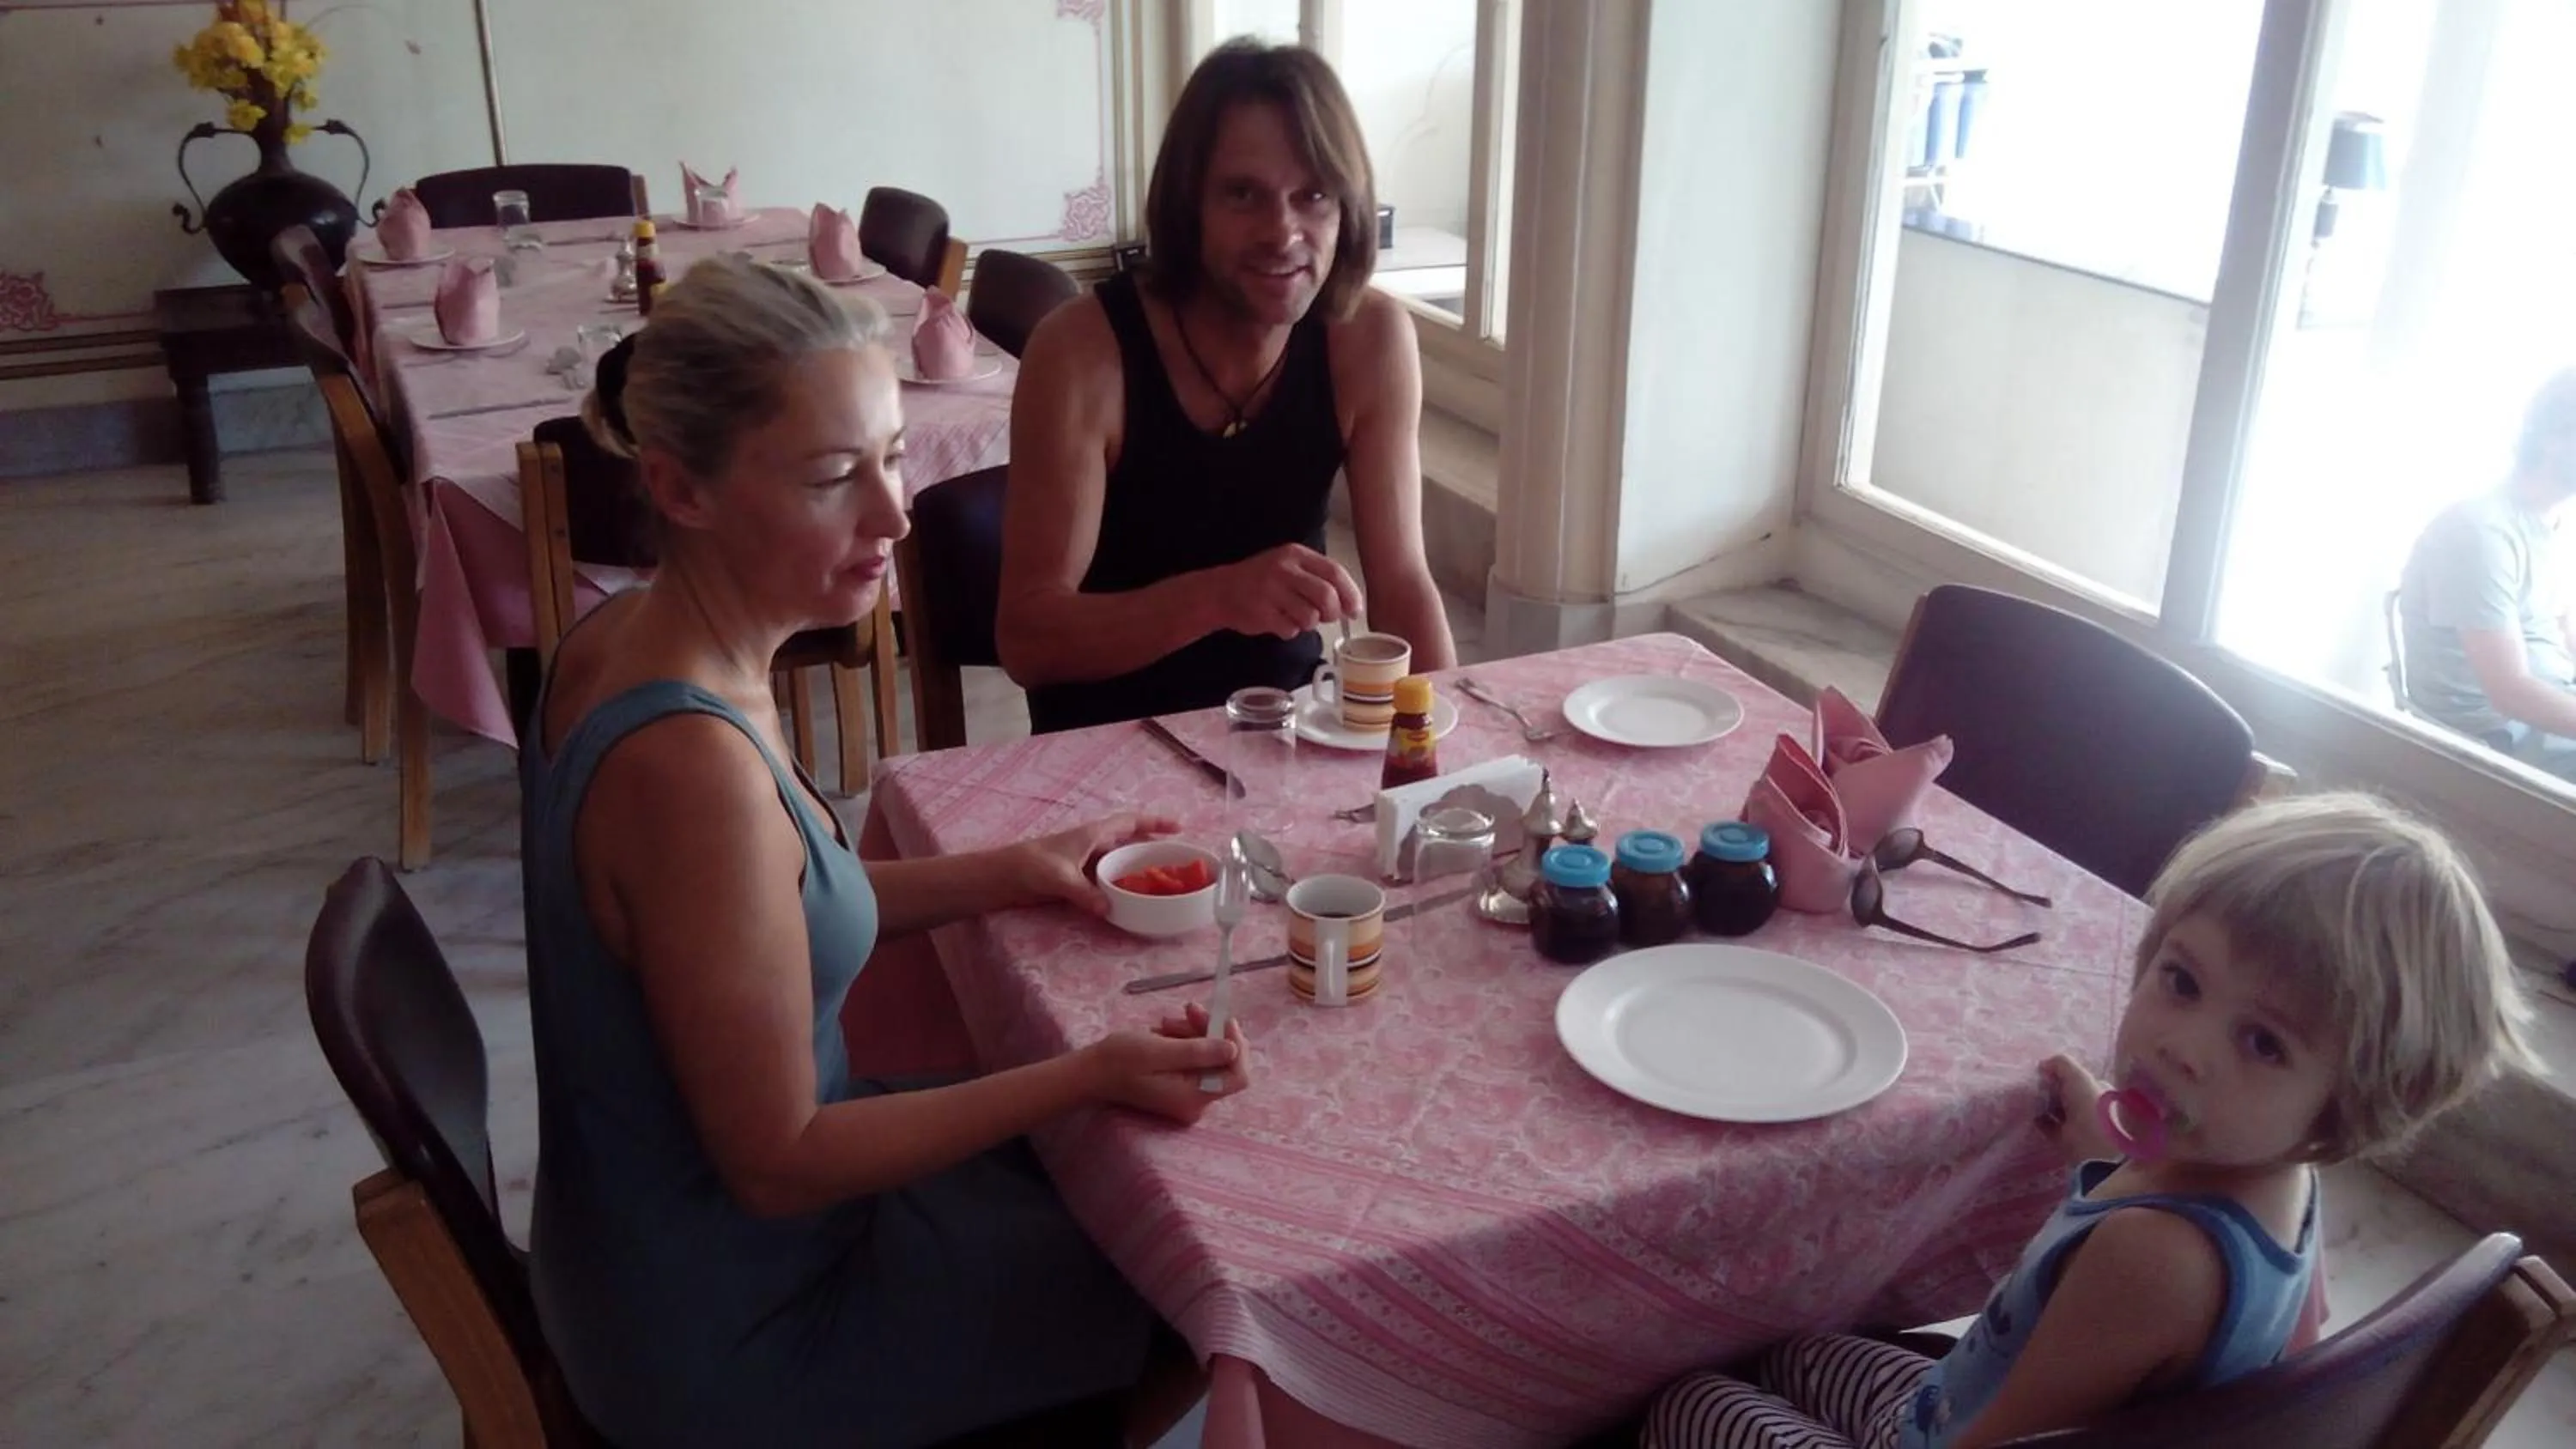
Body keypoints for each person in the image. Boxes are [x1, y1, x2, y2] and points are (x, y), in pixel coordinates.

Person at [523, 256, 1250, 1449]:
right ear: (678, 486)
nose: (894, 516)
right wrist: (1085, 1072)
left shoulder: (622, 638)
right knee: (1205, 1275)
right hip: (742, 1330)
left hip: (642, 1247)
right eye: (830, 477)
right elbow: (782, 1158)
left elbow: (753, 914)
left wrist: (1013, 870)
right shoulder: (688, 767)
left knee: (1103, 1172)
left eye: (893, 456)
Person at [1641, 793, 2536, 1449]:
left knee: (1686, 1400)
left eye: (2262, 1041)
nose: (2183, 1046)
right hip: (1955, 1392)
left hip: (1959, 1433)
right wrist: (2105, 1154)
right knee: (1791, 1351)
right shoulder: (2280, 1173)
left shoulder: (2150, 1255)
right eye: (2181, 980)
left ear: (2351, 1106)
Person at [997, 38, 1458, 734]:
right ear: (1189, 205)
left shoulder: (1369, 339)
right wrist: (1216, 597)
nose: (1284, 232)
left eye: (1313, 196)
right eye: (1244, 194)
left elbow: (1401, 586)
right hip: (1106, 754)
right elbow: (1029, 642)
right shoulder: (1082, 352)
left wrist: (1447, 758)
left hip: (1291, 734)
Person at [2397, 368, 2576, 782]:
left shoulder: (2553, 522)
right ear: (2553, 438)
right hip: (2494, 738)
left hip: (2549, 720)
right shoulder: (2479, 532)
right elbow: (2509, 691)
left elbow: (2562, 631)